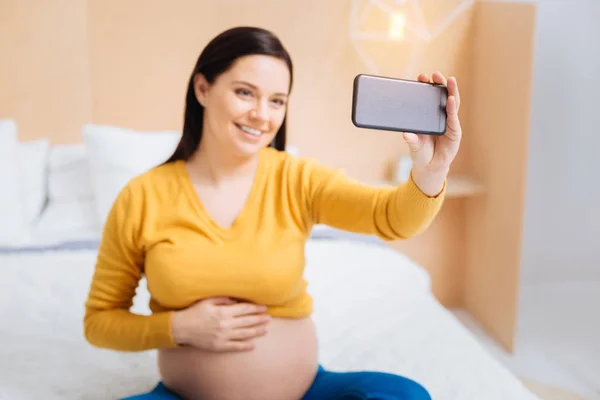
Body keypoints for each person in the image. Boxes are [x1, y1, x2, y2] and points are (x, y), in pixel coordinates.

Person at [83, 26, 462, 400]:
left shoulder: (296, 179)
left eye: (277, 100)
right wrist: (177, 327)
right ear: (202, 89)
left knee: (405, 395)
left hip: (304, 392)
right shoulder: (142, 196)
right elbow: (100, 322)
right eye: (245, 93)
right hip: (185, 395)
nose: (262, 115)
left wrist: (431, 172)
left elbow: (392, 218)